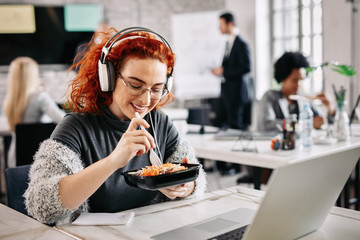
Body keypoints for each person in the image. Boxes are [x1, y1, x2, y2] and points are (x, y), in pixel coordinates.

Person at [24, 27, 207, 225]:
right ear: (108, 77)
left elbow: (198, 182)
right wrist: (113, 161)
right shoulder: (77, 127)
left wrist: (186, 187)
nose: (146, 99)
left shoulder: (159, 122)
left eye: (156, 89)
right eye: (135, 85)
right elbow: (40, 205)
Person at [2, 57, 65, 168]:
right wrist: (47, 94)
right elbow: (63, 120)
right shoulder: (40, 97)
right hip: (37, 158)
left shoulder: (10, 100)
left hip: (15, 157)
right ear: (32, 75)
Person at [211, 12, 253, 176]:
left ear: (229, 24)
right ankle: (223, 164)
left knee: (236, 128)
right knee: (221, 123)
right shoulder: (229, 43)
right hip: (228, 93)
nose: (218, 27)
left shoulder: (241, 43)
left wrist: (224, 71)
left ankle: (235, 166)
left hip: (237, 95)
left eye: (220, 24)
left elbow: (247, 67)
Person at [257, 51, 334, 132]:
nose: (298, 85)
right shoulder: (270, 97)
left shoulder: (303, 99)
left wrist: (330, 108)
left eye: (301, 80)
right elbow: (265, 125)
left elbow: (322, 122)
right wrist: (301, 125)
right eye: (295, 80)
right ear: (283, 78)